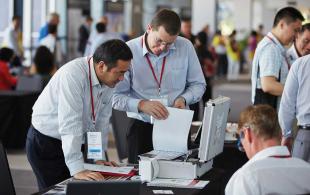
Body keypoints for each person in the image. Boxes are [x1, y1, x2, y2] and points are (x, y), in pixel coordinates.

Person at [26, 39, 133, 190]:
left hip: (75, 142)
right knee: (58, 191)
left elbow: (100, 121)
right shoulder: (73, 75)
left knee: (83, 189)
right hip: (47, 143)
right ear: (102, 66)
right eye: (120, 72)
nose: (122, 78)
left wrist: (97, 158)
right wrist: (77, 168)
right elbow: (70, 123)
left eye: (125, 72)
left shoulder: (109, 80)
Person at [112, 9, 206, 163]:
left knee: (180, 178)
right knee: (140, 181)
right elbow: (115, 97)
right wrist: (141, 104)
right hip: (142, 127)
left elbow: (199, 84)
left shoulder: (186, 46)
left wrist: (184, 98)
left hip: (176, 125)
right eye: (159, 41)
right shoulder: (128, 51)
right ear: (149, 28)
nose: (163, 47)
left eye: (169, 44)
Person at [225, 105, 310, 195]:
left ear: (247, 134)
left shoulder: (245, 178)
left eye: (240, 139)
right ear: (281, 134)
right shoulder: (306, 170)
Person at [251, 7, 304, 110]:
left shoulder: (275, 46)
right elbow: (268, 85)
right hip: (270, 118)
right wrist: (299, 92)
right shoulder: (271, 48)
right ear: (282, 25)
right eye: (295, 30)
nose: (297, 36)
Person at [279, 55, 310, 163]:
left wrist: (286, 134)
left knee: (300, 178)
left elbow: (287, 104)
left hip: (306, 135)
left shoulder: (301, 64)